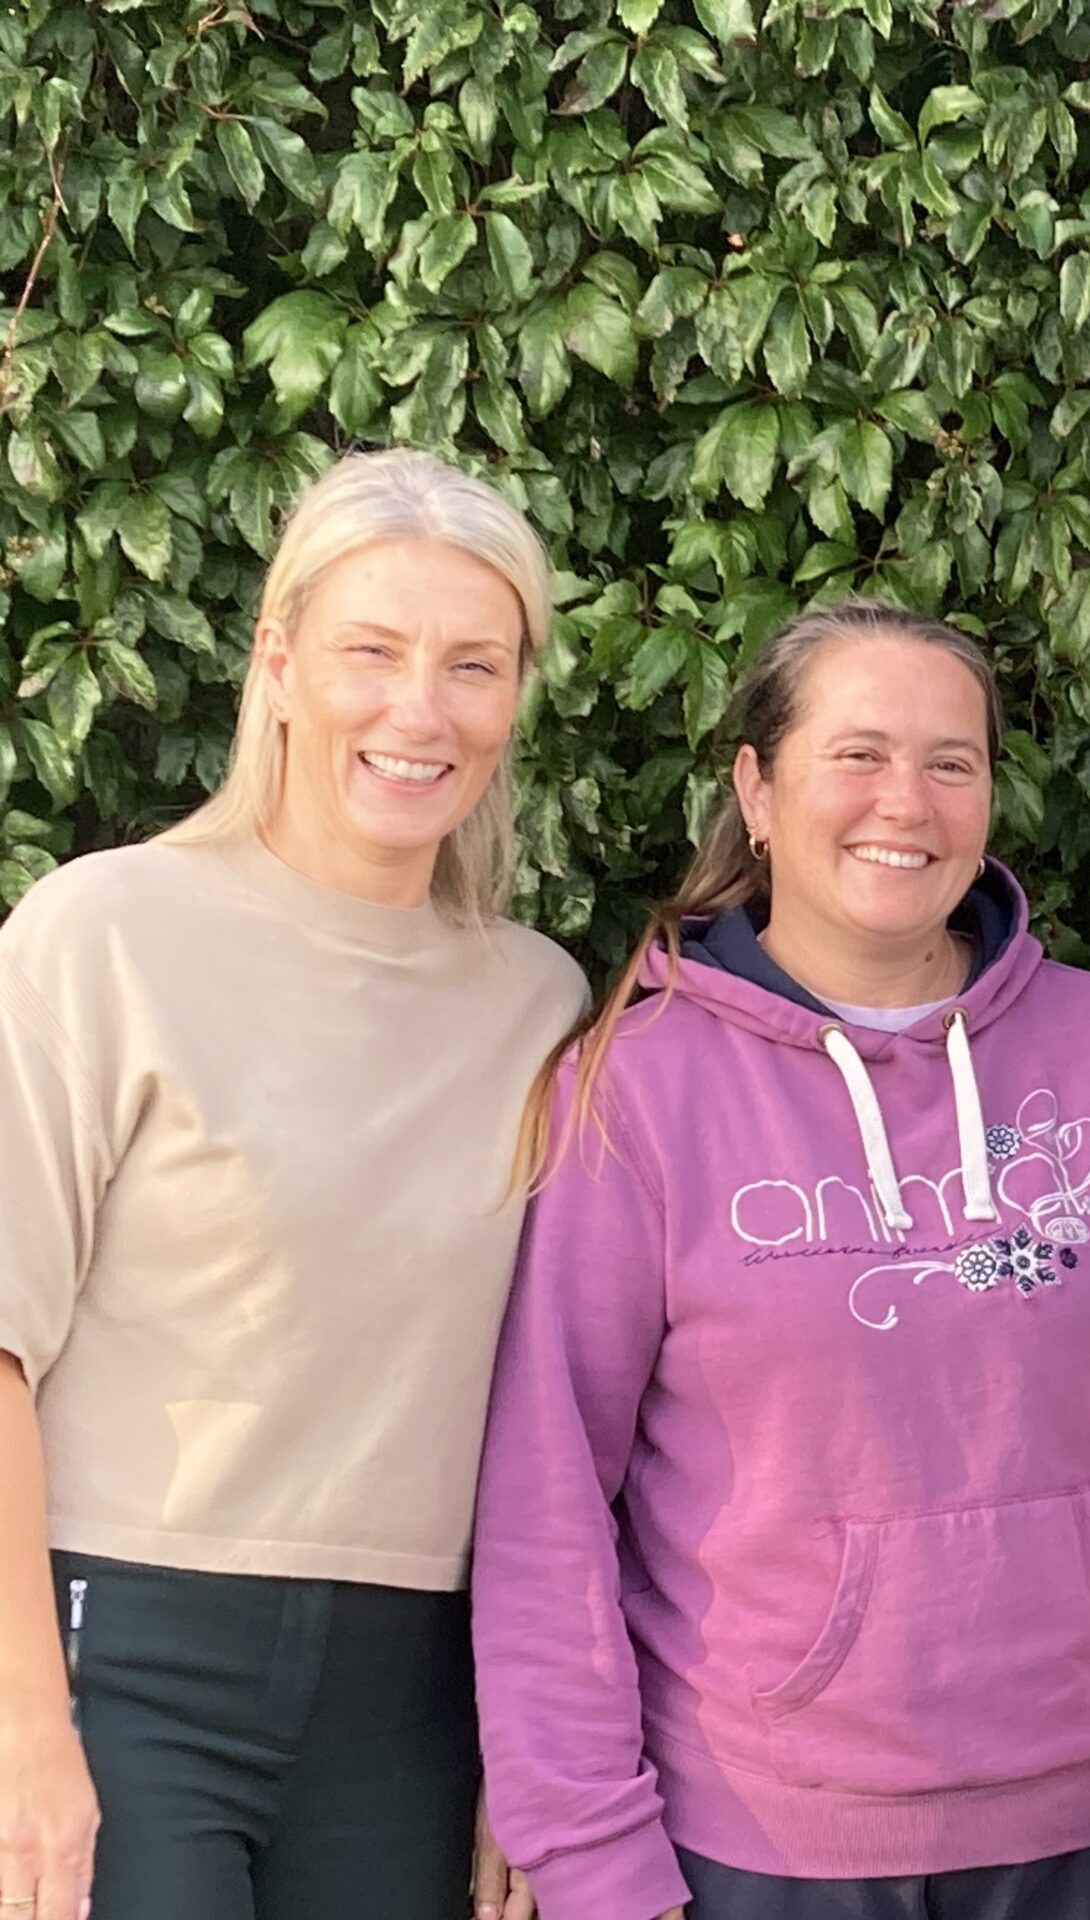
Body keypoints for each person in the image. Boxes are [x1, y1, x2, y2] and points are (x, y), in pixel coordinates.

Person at [472, 598, 1090, 1920]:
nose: (905, 802)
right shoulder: (638, 1086)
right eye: (858, 754)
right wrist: (583, 1845)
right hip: (761, 1836)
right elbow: (547, 1485)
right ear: (757, 787)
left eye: (951, 762)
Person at [0, 449, 586, 1920]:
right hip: (122, 1660)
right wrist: (21, 1727)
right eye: (369, 652)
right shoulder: (100, 934)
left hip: (410, 1705)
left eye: (473, 665)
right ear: (276, 662)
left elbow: (563, 1405)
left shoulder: (542, 1004)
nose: (421, 711)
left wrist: (537, 1742)